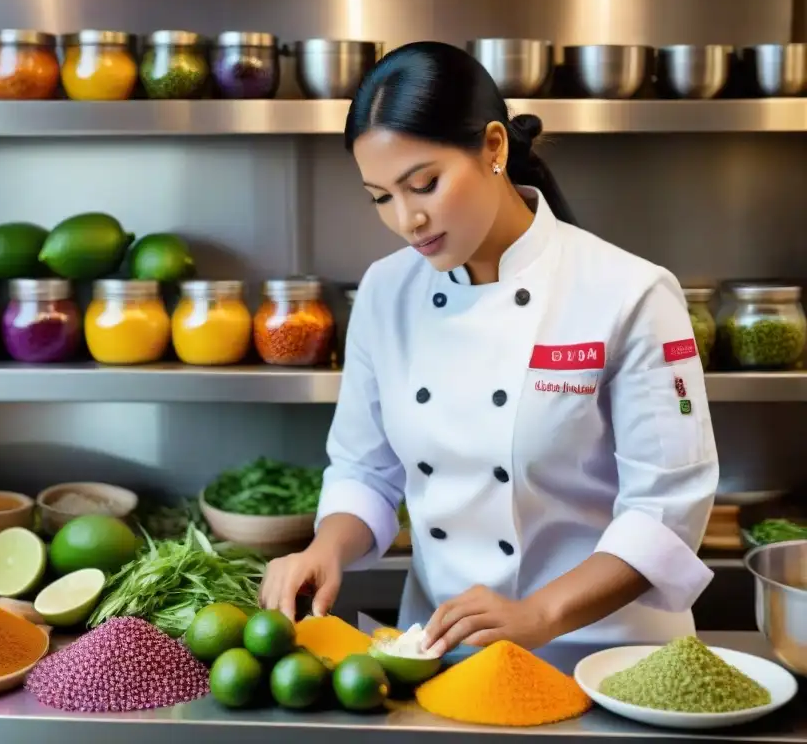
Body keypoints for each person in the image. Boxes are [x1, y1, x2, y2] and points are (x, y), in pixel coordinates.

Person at [258, 41, 718, 655]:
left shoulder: (630, 292)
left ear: (494, 148)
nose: (407, 220)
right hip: (441, 653)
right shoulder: (384, 291)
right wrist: (325, 548)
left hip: (606, 656)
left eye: (423, 184)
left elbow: (666, 508)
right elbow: (364, 469)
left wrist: (539, 615)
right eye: (381, 196)